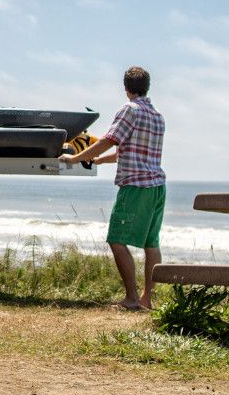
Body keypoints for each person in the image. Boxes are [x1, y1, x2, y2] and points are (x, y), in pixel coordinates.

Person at [62, 66, 166, 311]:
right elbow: (126, 151)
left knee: (117, 240)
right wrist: (98, 160)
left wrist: (75, 159)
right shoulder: (157, 116)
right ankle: (146, 299)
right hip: (157, 187)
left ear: (126, 88)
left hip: (135, 186)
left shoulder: (129, 110)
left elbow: (110, 140)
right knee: (152, 244)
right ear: (147, 86)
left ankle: (131, 299)